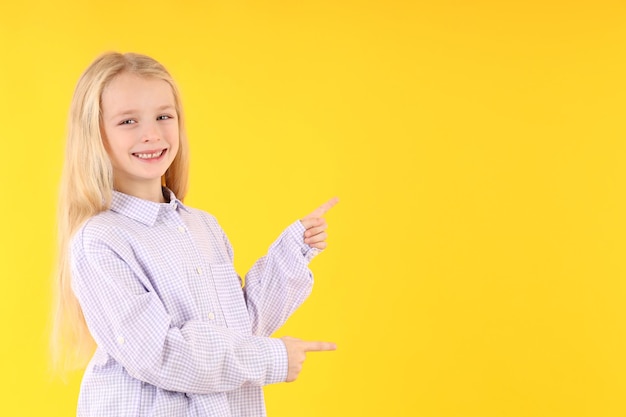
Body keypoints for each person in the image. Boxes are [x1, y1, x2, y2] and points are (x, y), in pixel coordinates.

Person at [51, 51, 338, 417]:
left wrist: (293, 252)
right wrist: (272, 358)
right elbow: (158, 353)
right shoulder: (101, 241)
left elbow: (238, 326)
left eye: (163, 116)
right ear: (95, 134)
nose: (152, 134)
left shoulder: (203, 227)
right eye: (128, 121)